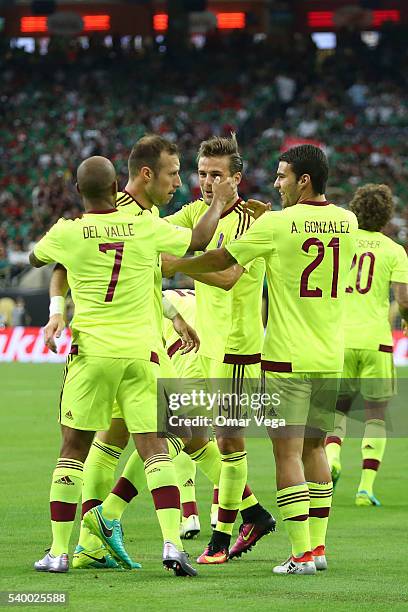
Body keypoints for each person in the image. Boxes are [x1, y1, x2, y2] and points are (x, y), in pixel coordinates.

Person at [43, 137, 236, 571]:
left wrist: (171, 314)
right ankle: (116, 538)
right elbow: (185, 249)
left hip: (100, 349)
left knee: (88, 444)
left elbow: (53, 258)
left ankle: (77, 544)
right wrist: (220, 205)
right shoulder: (137, 220)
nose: (181, 182)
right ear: (142, 175)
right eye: (174, 173)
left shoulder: (82, 225)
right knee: (136, 443)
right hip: (137, 350)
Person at [168, 144, 359, 575]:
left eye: (282, 176)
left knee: (286, 454)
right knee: (316, 449)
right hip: (331, 354)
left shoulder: (276, 223)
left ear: (303, 180)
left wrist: (172, 264)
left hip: (286, 357)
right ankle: (319, 548)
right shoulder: (348, 221)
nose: (276, 184)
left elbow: (224, 260)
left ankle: (299, 554)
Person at [325, 184, 408, 505]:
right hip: (376, 341)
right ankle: (366, 487)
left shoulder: (339, 244)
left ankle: (331, 458)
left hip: (339, 338)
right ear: (386, 215)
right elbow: (403, 299)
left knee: (337, 409)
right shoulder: (394, 250)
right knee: (375, 416)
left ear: (355, 210)